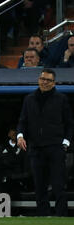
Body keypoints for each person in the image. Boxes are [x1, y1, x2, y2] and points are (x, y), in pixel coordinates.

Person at [17, 68, 74, 216]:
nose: (45, 82)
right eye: (42, 79)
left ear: (54, 83)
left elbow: (69, 123)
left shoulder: (61, 99)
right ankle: (43, 215)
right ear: (38, 80)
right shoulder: (29, 99)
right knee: (39, 185)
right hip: (36, 148)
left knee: (58, 185)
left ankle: (61, 215)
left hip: (56, 147)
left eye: (48, 80)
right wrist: (20, 136)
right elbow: (23, 121)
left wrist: (66, 142)